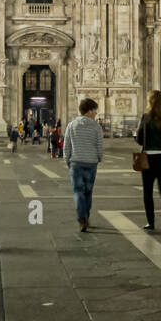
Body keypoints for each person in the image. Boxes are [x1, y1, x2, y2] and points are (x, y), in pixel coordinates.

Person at [135, 90, 161, 234]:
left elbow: (140, 139)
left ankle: (150, 222)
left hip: (149, 157)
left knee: (148, 191)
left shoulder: (146, 117)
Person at [63, 97, 104, 232]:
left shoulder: (71, 125)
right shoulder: (96, 126)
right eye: (95, 111)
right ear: (90, 111)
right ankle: (86, 216)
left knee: (78, 192)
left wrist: (67, 160)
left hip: (76, 163)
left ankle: (82, 218)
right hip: (91, 163)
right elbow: (99, 145)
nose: (96, 113)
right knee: (88, 191)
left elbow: (67, 146)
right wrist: (99, 158)